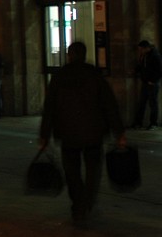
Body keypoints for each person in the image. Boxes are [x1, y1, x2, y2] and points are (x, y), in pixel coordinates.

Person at [38, 41, 126, 226]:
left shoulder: (60, 76)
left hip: (68, 133)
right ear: (85, 55)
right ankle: (87, 202)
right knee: (93, 171)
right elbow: (109, 105)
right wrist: (119, 132)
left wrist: (44, 134)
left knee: (72, 172)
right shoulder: (95, 75)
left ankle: (78, 204)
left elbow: (50, 108)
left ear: (69, 55)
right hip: (93, 133)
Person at [133, 39, 162, 130]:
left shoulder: (155, 56)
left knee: (153, 103)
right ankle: (138, 122)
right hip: (145, 82)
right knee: (142, 102)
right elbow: (141, 66)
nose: (140, 51)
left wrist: (152, 80)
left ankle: (153, 123)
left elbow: (160, 70)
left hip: (152, 83)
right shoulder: (144, 55)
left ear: (146, 48)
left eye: (141, 49)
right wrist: (135, 70)